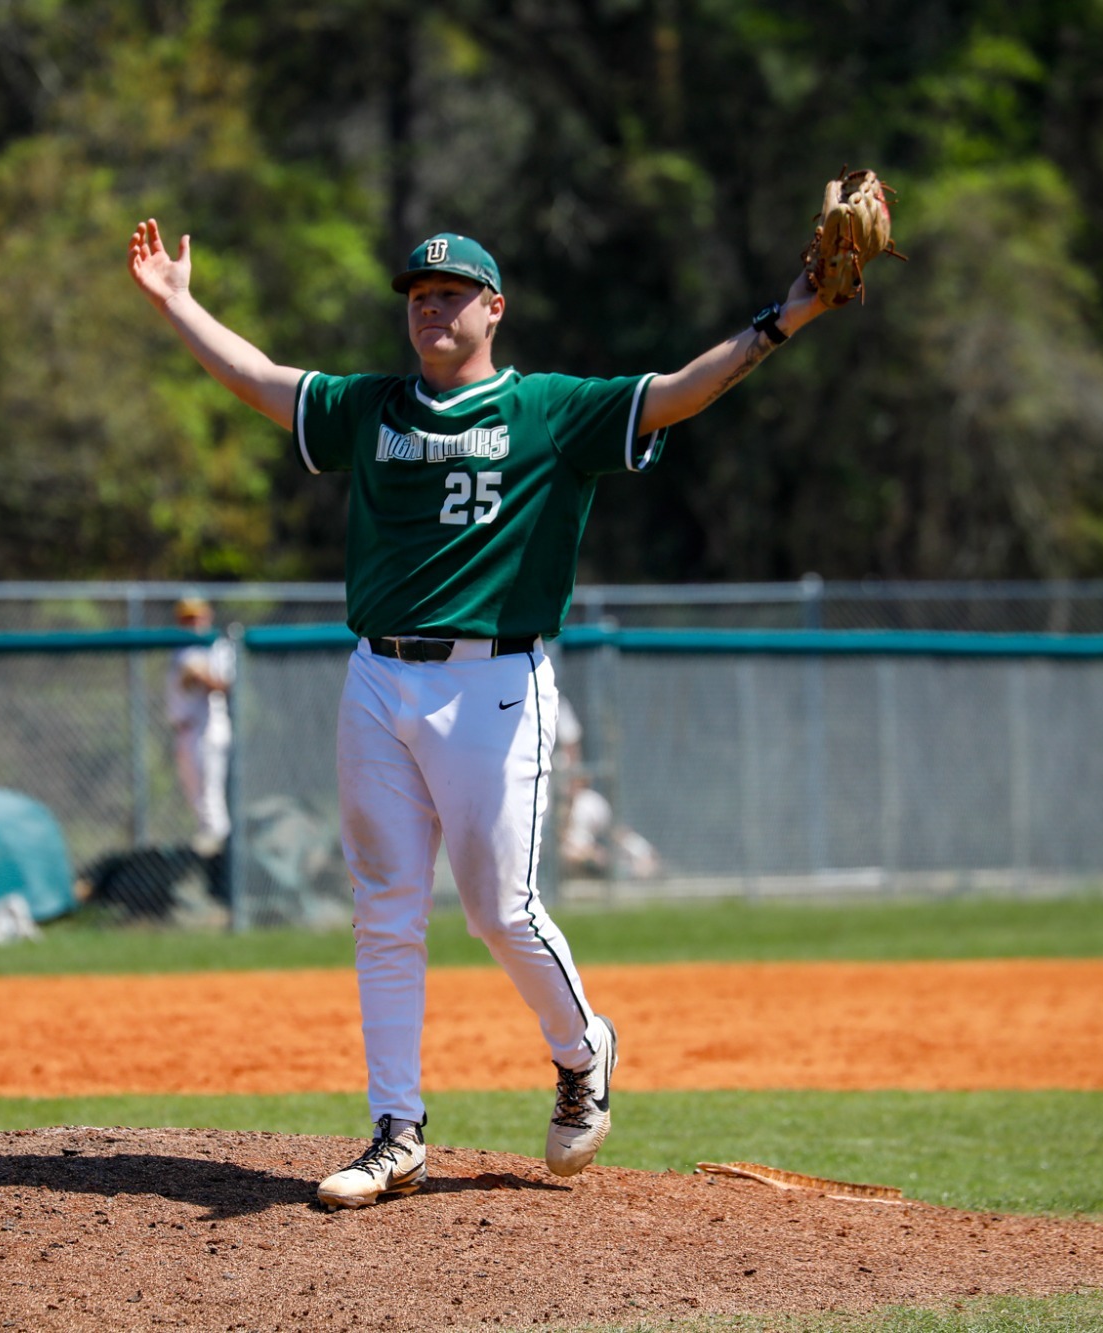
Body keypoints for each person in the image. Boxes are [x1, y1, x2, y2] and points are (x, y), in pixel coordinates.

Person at [128, 218, 838, 1208]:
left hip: (492, 681)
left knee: (498, 909)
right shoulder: (371, 407)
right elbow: (261, 379)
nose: (429, 305)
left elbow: (679, 392)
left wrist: (783, 319)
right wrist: (177, 303)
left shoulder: (549, 411)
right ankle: (397, 1131)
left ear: (493, 308)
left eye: (451, 292)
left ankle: (582, 1049)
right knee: (384, 910)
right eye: (418, 294)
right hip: (378, 676)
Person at [166, 596, 235, 859]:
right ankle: (215, 852)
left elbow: (222, 683)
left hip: (207, 727)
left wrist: (200, 672)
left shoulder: (217, 646)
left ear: (207, 616)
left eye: (197, 616)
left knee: (210, 797)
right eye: (187, 617)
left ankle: (223, 857)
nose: (192, 623)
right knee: (197, 797)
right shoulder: (181, 648)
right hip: (185, 729)